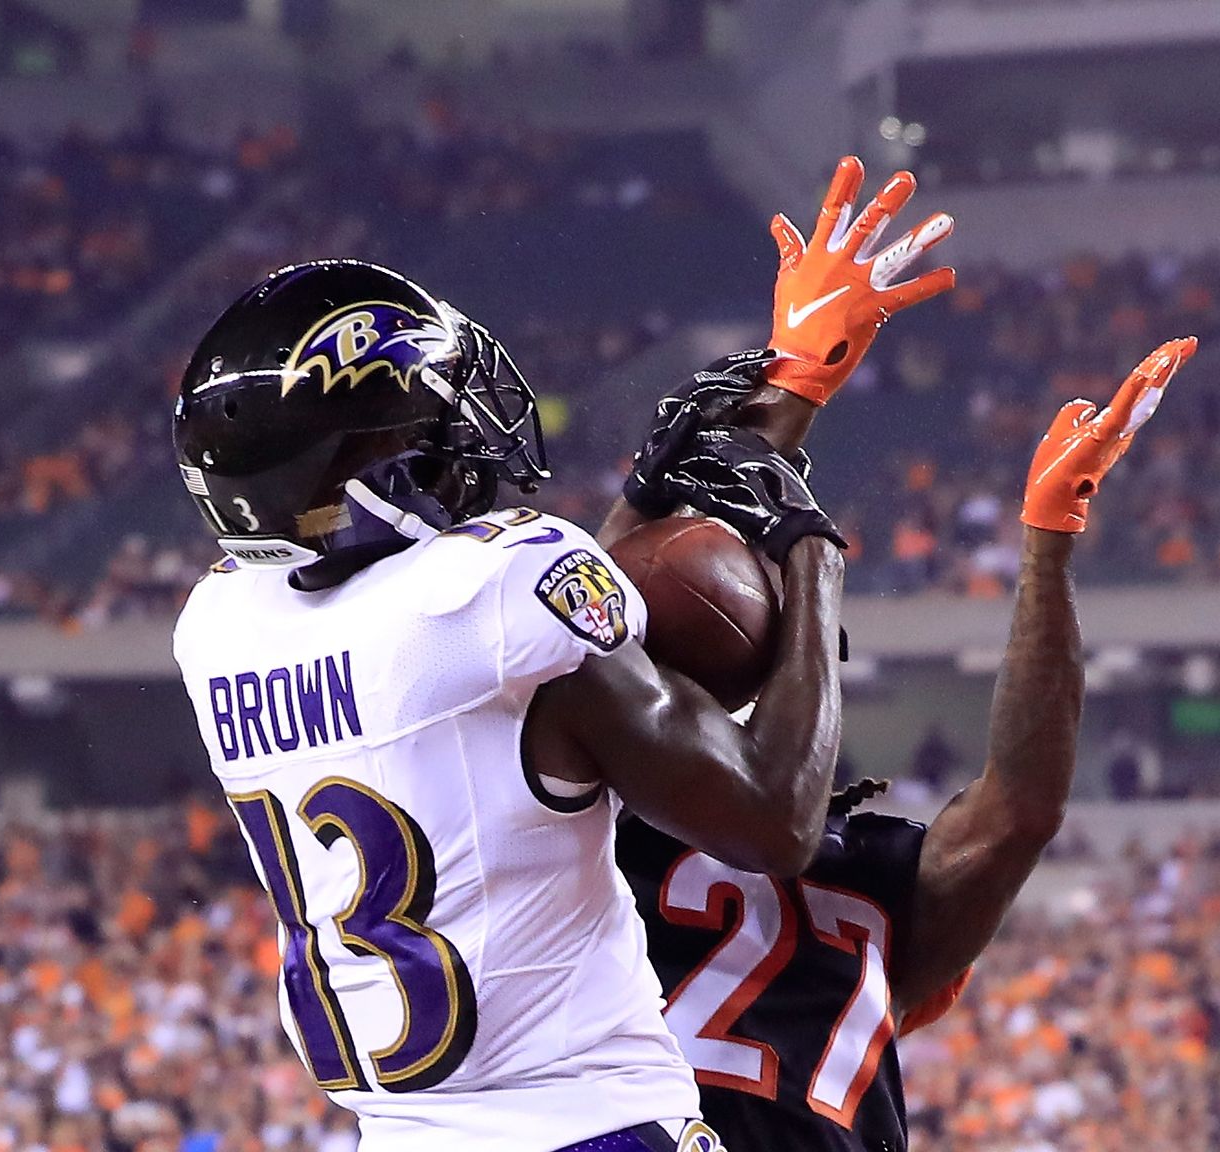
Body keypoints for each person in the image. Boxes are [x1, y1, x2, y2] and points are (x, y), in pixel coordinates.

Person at [169, 259, 855, 1151]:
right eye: (433, 410)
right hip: (587, 1125)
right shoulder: (499, 595)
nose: (463, 424)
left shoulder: (219, 626)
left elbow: (506, 672)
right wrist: (815, 558)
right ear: (374, 463)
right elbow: (774, 820)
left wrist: (654, 494)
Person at [603, 159, 1195, 1150]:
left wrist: (788, 389)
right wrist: (1046, 549)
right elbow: (1021, 809)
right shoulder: (868, 883)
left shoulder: (581, 828)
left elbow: (583, 622)